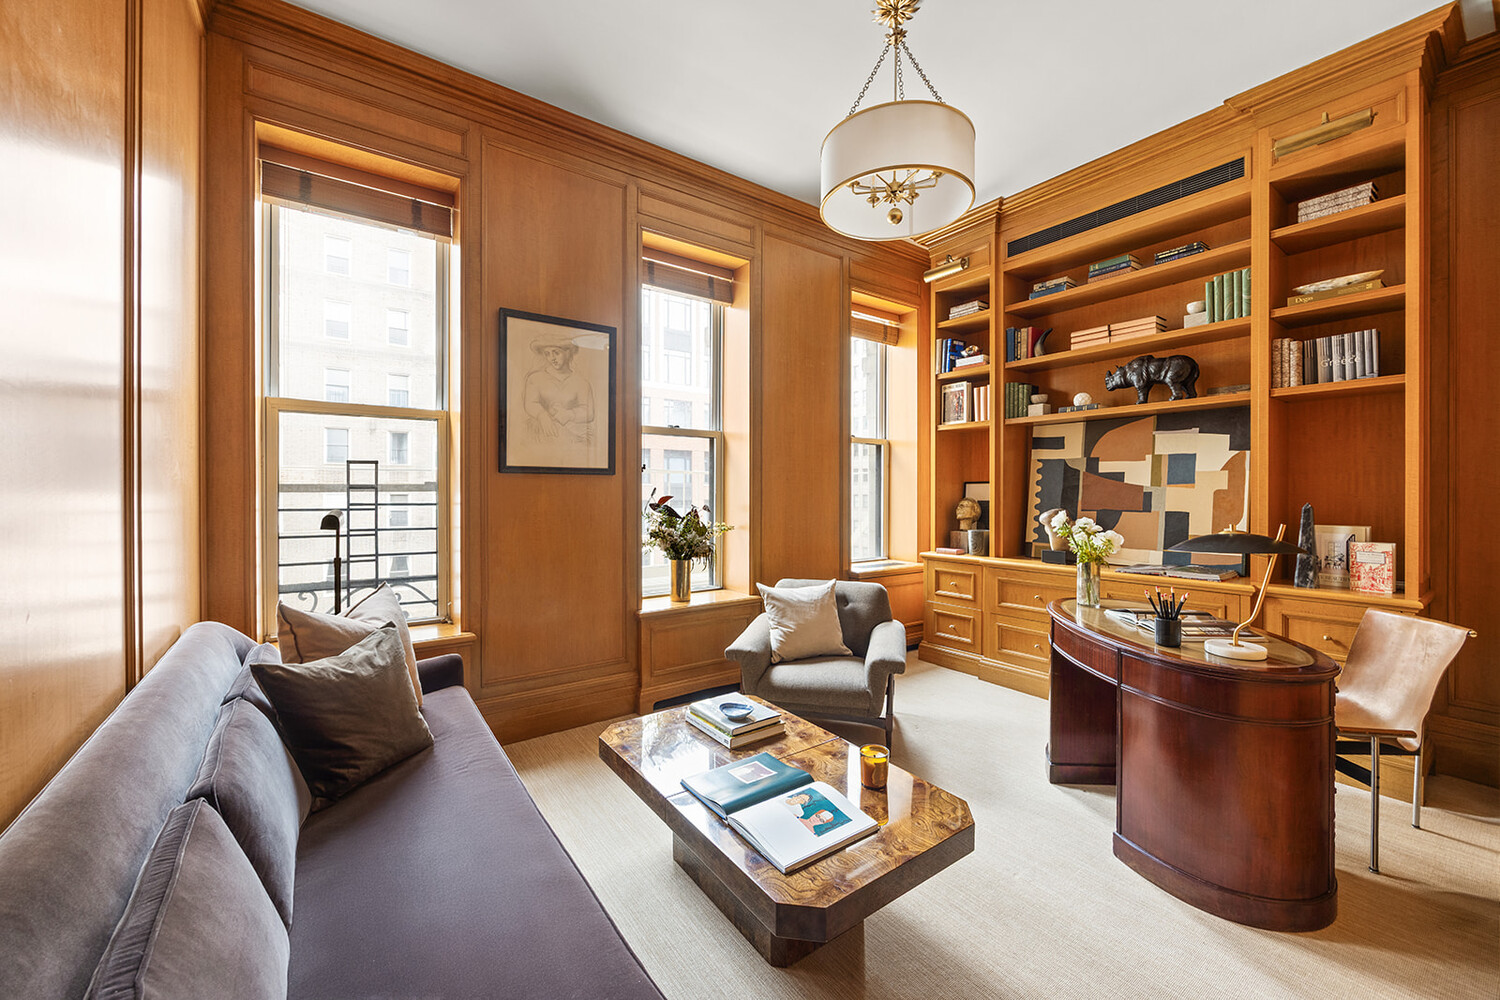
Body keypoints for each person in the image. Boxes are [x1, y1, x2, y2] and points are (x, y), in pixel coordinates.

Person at [523, 334, 595, 446]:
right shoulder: (535, 378)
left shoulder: (582, 383)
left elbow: (589, 413)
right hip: (542, 434)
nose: (552, 358)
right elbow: (530, 403)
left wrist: (569, 414)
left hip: (573, 437)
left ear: (568, 353)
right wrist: (542, 415)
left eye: (556, 352)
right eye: (547, 354)